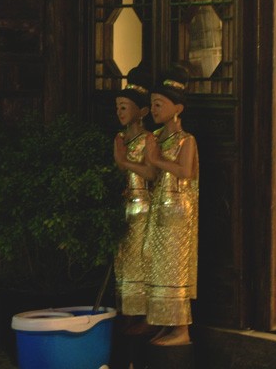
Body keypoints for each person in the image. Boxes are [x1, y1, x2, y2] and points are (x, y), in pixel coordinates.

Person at [143, 65, 199, 346]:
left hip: (177, 208)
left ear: (177, 108)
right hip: (158, 207)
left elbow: (185, 171)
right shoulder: (156, 138)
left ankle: (181, 329)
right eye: (152, 104)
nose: (154, 109)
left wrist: (156, 160)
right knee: (158, 266)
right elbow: (151, 173)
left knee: (174, 268)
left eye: (159, 104)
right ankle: (166, 323)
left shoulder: (186, 140)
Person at [112, 68, 155, 331]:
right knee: (123, 261)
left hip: (142, 204)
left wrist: (125, 161)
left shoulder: (148, 139)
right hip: (123, 205)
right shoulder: (120, 138)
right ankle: (125, 311)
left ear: (142, 111)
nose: (120, 112)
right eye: (117, 107)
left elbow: (150, 172)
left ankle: (142, 313)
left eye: (124, 107)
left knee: (139, 260)